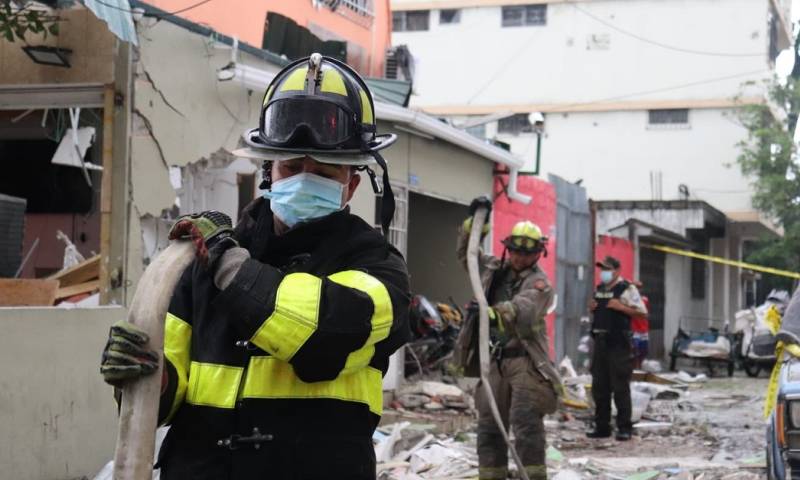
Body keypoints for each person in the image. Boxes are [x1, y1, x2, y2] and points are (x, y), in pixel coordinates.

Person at [100, 54, 411, 479]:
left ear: (351, 184)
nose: (304, 177)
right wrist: (147, 378)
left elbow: (319, 335)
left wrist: (228, 265)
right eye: (292, 166)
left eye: (323, 171)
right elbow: (165, 396)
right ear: (269, 172)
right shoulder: (199, 261)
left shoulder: (379, 268)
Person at [454, 197, 561, 480]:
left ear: (538, 254)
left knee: (526, 426)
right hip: (495, 362)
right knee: (489, 426)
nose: (518, 257)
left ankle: (533, 477)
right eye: (514, 250)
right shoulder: (493, 270)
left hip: (525, 363)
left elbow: (523, 310)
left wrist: (489, 313)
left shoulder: (541, 284)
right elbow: (468, 255)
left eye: (526, 254)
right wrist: (475, 224)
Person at [587, 256, 647, 441]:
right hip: (600, 342)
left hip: (618, 343)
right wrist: (592, 308)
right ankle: (602, 427)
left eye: (607, 269)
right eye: (602, 268)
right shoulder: (600, 289)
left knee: (620, 386)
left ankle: (624, 428)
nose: (604, 272)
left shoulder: (627, 289)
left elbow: (641, 314)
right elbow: (599, 311)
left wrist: (621, 307)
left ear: (617, 270)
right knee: (600, 387)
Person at [630, 281, 650, 370]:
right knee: (635, 349)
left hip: (644, 328)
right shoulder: (629, 300)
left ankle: (640, 365)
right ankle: (635, 367)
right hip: (634, 329)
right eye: (636, 288)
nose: (638, 290)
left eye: (639, 288)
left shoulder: (645, 299)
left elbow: (646, 312)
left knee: (644, 350)